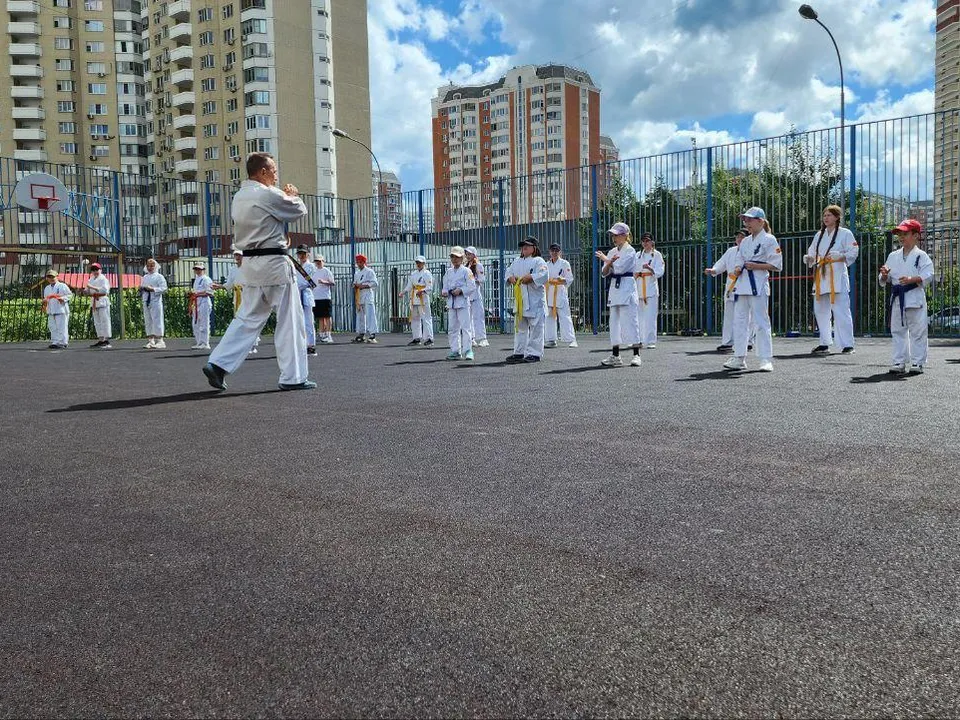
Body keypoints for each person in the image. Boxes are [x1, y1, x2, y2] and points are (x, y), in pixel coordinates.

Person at [202, 151, 315, 391]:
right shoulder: (266, 193)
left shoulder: (240, 196)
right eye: (273, 170)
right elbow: (297, 211)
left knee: (247, 318)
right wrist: (293, 194)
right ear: (262, 172)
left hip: (250, 266)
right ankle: (293, 377)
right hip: (273, 264)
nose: (276, 175)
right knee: (289, 321)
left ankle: (218, 364)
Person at [723, 207, 782, 372]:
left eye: (749, 219)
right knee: (739, 321)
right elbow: (739, 258)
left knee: (761, 322)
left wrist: (756, 265)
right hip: (741, 286)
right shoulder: (746, 241)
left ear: (760, 221)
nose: (746, 223)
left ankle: (765, 359)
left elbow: (777, 265)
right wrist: (736, 268)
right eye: (745, 220)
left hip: (758, 285)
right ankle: (739, 357)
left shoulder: (770, 239)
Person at [803, 204, 859, 355]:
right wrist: (809, 258)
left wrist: (841, 256)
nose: (826, 218)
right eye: (824, 215)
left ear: (836, 217)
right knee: (820, 309)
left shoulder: (845, 233)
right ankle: (824, 342)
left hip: (837, 273)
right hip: (822, 274)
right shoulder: (819, 235)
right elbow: (812, 252)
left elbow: (854, 251)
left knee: (841, 310)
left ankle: (847, 344)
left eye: (829, 215)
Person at [879, 219, 934, 374]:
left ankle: (917, 362)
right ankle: (899, 362)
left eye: (905, 234)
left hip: (914, 295)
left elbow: (929, 275)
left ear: (916, 235)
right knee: (897, 330)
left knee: (918, 330)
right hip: (897, 297)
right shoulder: (893, 256)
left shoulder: (921, 256)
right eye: (899, 234)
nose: (901, 237)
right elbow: (885, 279)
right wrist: (883, 275)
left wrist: (913, 279)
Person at [595, 222, 641, 367]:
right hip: (615, 287)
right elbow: (604, 272)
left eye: (617, 235)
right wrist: (608, 263)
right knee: (614, 321)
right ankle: (615, 355)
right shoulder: (612, 252)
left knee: (631, 320)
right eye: (613, 235)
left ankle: (636, 354)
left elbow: (620, 268)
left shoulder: (630, 251)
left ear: (625, 235)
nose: (614, 238)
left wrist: (606, 261)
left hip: (627, 286)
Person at [705, 230, 753, 353]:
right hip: (731, 285)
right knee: (729, 315)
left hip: (745, 284)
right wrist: (714, 270)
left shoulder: (751, 251)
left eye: (742, 237)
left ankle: (747, 341)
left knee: (745, 315)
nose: (739, 239)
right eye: (737, 237)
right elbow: (722, 264)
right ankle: (727, 342)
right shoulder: (730, 251)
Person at [505, 236, 549, 363]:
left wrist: (531, 277)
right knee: (520, 327)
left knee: (536, 327)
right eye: (523, 246)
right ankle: (519, 352)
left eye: (527, 246)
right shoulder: (516, 261)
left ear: (534, 248)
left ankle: (534, 353)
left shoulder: (538, 261)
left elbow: (544, 275)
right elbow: (508, 272)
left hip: (535, 300)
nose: (524, 248)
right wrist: (510, 278)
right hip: (521, 300)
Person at [219, 249, 259, 354]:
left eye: (239, 255)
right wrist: (219, 286)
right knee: (240, 320)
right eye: (236, 255)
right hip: (237, 297)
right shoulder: (233, 269)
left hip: (248, 296)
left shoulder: (249, 268)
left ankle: (253, 344)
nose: (237, 257)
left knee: (250, 319)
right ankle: (244, 345)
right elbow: (229, 284)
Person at [441, 246, 476, 361]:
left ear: (462, 258)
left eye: (457, 257)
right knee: (452, 328)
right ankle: (455, 351)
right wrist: (445, 292)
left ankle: (468, 350)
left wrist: (461, 290)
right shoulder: (448, 272)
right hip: (451, 303)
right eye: (452, 257)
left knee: (466, 328)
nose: (454, 259)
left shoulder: (466, 271)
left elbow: (472, 286)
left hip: (463, 303)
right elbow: (444, 286)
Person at [635, 232, 665, 348]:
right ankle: (641, 340)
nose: (645, 243)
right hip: (639, 286)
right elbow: (633, 269)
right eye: (643, 241)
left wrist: (650, 268)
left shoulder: (657, 255)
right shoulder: (637, 255)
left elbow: (660, 271)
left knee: (651, 316)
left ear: (652, 242)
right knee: (639, 316)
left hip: (651, 288)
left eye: (647, 241)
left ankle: (651, 341)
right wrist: (636, 273)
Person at [544, 243, 577, 348]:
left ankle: (571, 339)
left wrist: (562, 280)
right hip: (549, 291)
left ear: (560, 252)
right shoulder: (546, 264)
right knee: (549, 316)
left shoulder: (564, 263)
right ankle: (551, 339)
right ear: (549, 252)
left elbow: (570, 278)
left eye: (556, 251)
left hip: (560, 291)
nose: (554, 252)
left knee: (565, 316)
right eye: (552, 250)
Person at [402, 254, 434, 346]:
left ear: (424, 263)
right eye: (417, 262)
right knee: (415, 318)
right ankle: (416, 338)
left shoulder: (427, 273)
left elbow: (430, 287)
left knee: (426, 318)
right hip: (414, 298)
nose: (418, 264)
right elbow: (410, 285)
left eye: (420, 262)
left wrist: (423, 291)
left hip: (423, 298)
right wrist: (403, 292)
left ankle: (429, 338)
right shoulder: (414, 274)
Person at [295, 245, 318, 355]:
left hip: (306, 294)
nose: (302, 256)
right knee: (298, 322)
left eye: (304, 253)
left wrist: (297, 286)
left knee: (308, 321)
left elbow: (308, 282)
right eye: (300, 253)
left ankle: (311, 344)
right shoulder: (296, 266)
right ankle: (301, 344)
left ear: (308, 254)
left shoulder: (310, 266)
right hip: (296, 295)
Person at [140, 257, 167, 349]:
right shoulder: (145, 277)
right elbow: (142, 287)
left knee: (157, 319)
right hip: (146, 300)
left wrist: (153, 289)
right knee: (148, 320)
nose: (150, 267)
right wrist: (142, 289)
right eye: (148, 266)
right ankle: (150, 340)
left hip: (155, 300)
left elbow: (164, 288)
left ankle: (160, 340)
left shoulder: (159, 276)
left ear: (155, 266)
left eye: (152, 266)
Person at [464, 246, 488, 347]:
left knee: (478, 317)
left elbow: (482, 279)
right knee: (468, 318)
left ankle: (482, 339)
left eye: (470, 254)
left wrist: (473, 280)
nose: (468, 256)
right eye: (467, 254)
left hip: (476, 294)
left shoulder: (478, 266)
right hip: (467, 295)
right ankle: (471, 338)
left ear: (474, 255)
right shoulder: (465, 266)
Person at [42, 269, 72, 349]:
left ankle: (63, 342)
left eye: (53, 276)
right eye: (49, 277)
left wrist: (63, 298)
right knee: (52, 327)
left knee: (62, 327)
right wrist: (45, 302)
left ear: (57, 277)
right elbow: (46, 298)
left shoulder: (62, 285)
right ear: (47, 278)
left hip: (61, 310)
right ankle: (55, 341)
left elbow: (70, 295)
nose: (51, 278)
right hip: (51, 310)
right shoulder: (47, 288)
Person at [353, 253, 379, 343]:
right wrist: (355, 286)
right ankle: (361, 333)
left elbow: (375, 283)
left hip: (367, 295)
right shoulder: (356, 273)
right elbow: (355, 283)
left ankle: (372, 334)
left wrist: (364, 286)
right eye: (357, 262)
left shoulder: (369, 271)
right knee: (360, 315)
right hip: (359, 296)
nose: (358, 264)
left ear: (364, 262)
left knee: (370, 315)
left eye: (360, 262)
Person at [84, 262, 111, 349]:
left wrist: (92, 287)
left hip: (102, 300)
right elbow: (88, 290)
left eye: (97, 269)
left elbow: (105, 290)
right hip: (94, 301)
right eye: (93, 270)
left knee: (104, 320)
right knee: (97, 321)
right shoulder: (91, 279)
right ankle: (100, 339)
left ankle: (106, 340)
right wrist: (85, 291)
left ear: (100, 270)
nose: (95, 271)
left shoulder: (103, 279)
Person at [188, 263, 214, 351]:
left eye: (199, 269)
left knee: (204, 323)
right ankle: (199, 342)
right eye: (196, 269)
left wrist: (197, 294)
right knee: (196, 323)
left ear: (203, 270)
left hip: (204, 303)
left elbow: (210, 292)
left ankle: (205, 343)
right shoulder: (196, 279)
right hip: (196, 302)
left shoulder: (206, 279)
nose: (197, 271)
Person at [311, 253, 336, 344]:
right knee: (320, 317)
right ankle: (322, 334)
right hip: (316, 297)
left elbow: (332, 283)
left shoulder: (326, 271)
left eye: (319, 261)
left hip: (325, 297)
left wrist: (324, 282)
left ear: (323, 261)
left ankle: (328, 334)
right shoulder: (313, 271)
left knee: (327, 316)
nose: (318, 263)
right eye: (316, 261)